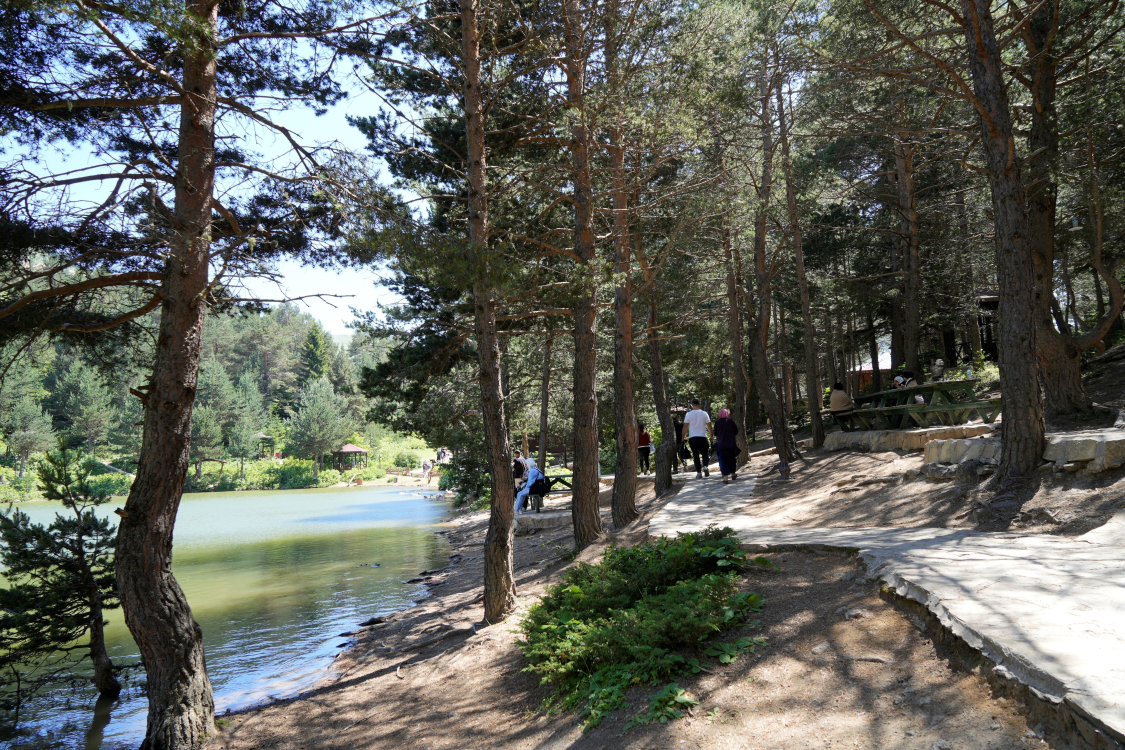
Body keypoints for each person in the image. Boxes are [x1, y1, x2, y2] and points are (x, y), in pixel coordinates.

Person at [682, 398, 714, 479]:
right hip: (703, 437)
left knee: (696, 455)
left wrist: (683, 437)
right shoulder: (704, 413)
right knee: (705, 453)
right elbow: (709, 425)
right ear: (699, 404)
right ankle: (706, 466)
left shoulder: (688, 414)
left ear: (692, 405)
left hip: (693, 438)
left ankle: (699, 472)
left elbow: (685, 427)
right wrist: (711, 436)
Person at [712, 408, 741, 484]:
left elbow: (715, 433)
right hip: (731, 444)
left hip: (721, 445)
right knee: (732, 460)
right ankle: (733, 474)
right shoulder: (730, 422)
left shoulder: (717, 423)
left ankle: (725, 478)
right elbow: (736, 431)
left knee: (723, 461)